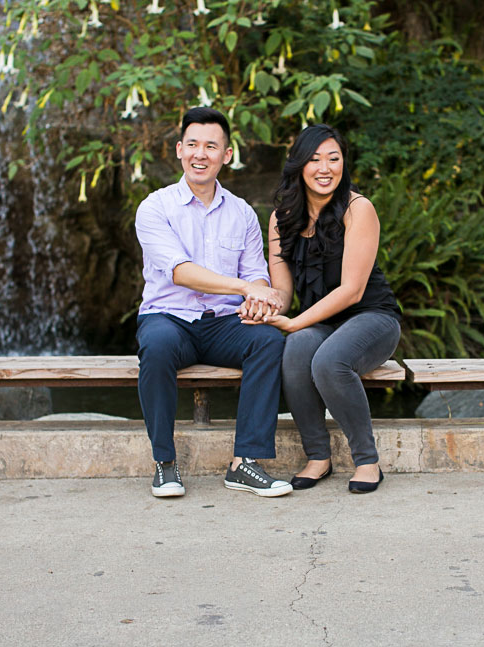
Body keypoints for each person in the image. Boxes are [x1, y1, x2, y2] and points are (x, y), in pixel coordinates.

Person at [134, 106, 292, 498]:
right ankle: (165, 464)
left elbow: (257, 273)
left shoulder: (241, 212)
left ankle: (245, 463)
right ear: (178, 150)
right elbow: (180, 272)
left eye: (210, 146)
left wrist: (257, 300)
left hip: (222, 324)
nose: (199, 154)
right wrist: (245, 288)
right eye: (192, 145)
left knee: (268, 340)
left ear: (226, 154)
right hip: (169, 318)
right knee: (155, 346)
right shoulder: (155, 208)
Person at [238, 124, 402, 493]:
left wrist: (294, 323)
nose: (324, 167)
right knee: (295, 353)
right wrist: (263, 306)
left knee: (329, 361)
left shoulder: (358, 209)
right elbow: (282, 289)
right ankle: (318, 456)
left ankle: (367, 461)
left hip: (371, 317)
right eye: (314, 159)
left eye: (334, 158)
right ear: (299, 164)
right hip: (322, 321)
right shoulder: (281, 217)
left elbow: (352, 291)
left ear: (344, 162)